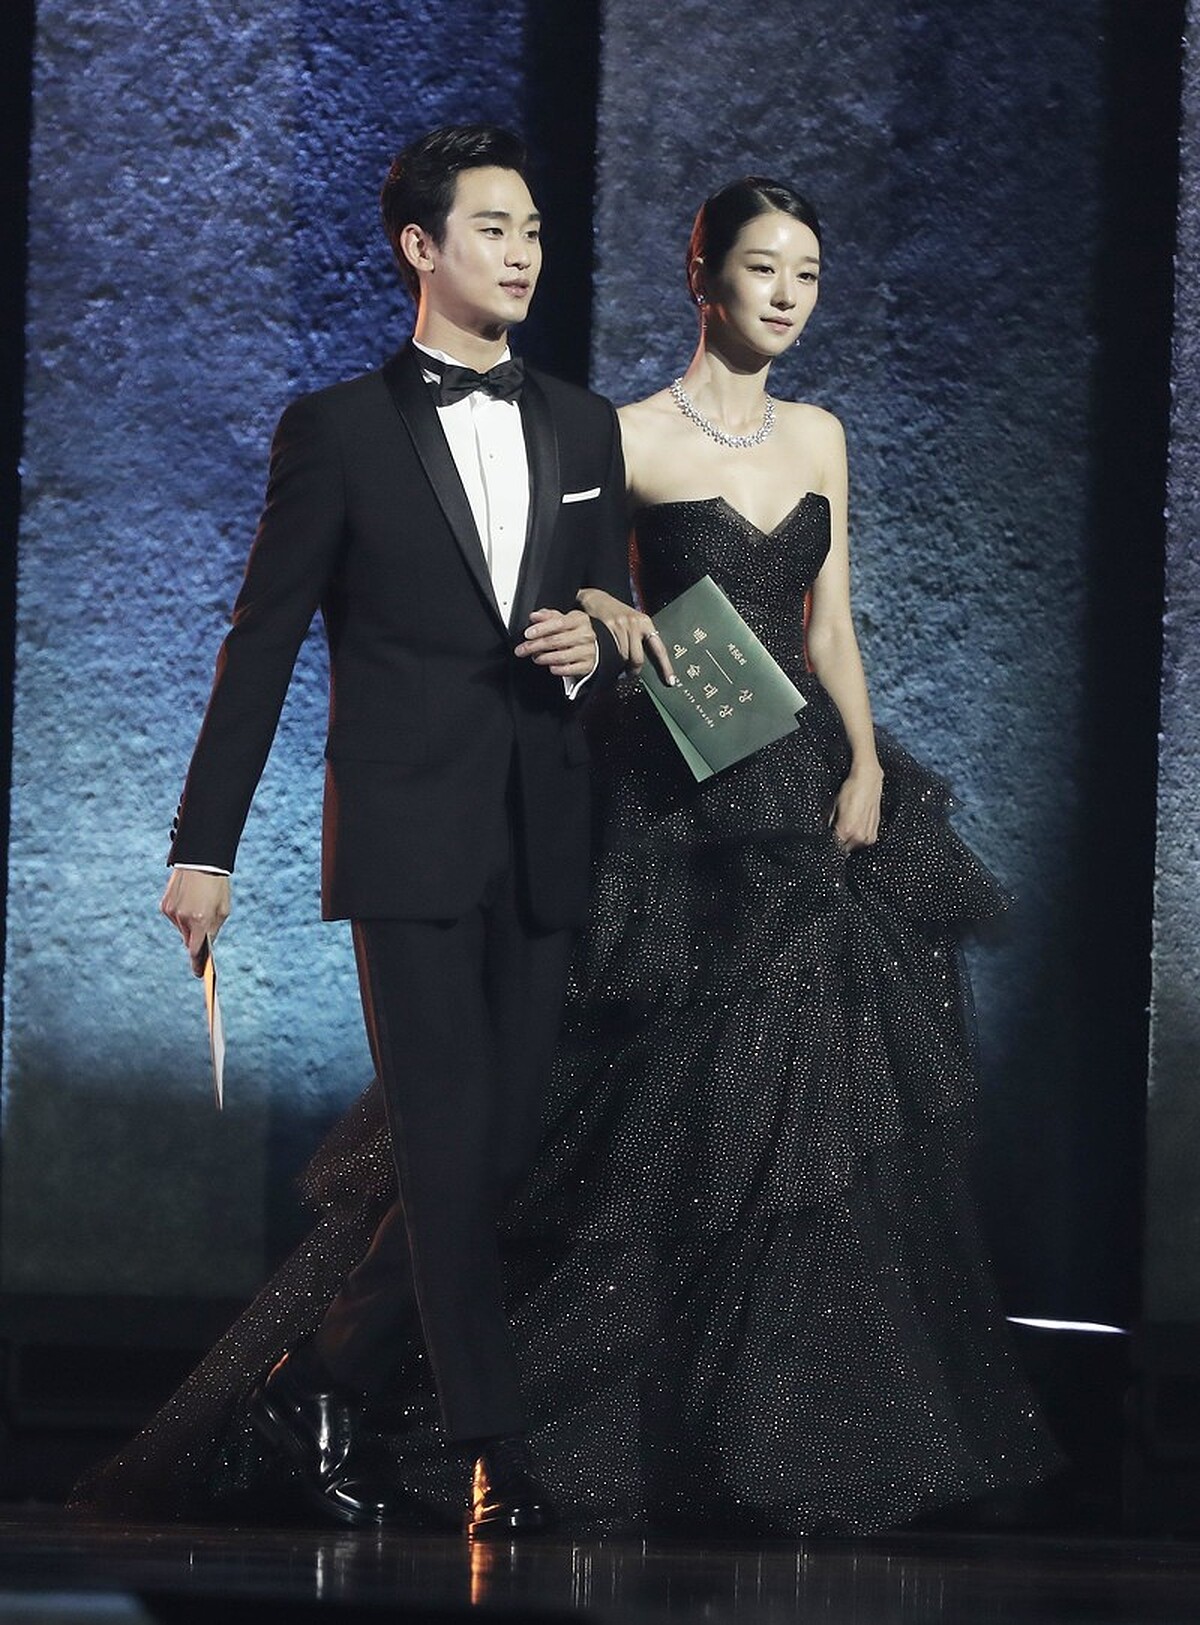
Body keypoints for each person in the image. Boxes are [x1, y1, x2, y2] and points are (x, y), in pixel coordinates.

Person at [75, 175, 1058, 1535]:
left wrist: (866, 761)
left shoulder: (777, 432)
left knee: (747, 1132)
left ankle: (725, 1430)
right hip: (648, 805)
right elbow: (488, 605)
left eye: (809, 274)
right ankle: (470, 1428)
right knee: (529, 1132)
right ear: (702, 274)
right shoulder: (605, 431)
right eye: (764, 268)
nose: (788, 295)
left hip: (782, 795)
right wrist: (211, 846)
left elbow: (823, 623)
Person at [152, 122, 651, 1539]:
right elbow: (259, 645)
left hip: (543, 823)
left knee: (499, 1147)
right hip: (405, 832)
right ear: (420, 248)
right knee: (441, 1142)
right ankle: (495, 1447)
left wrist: (594, 649)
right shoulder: (338, 430)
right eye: (495, 227)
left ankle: (319, 1381)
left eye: (535, 229)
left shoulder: (584, 425)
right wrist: (204, 848)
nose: (525, 252)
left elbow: (604, 616)